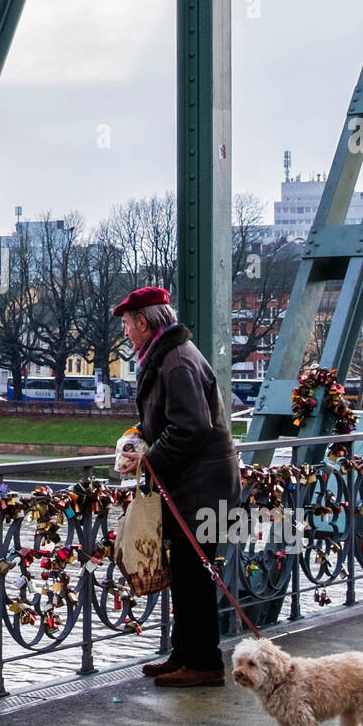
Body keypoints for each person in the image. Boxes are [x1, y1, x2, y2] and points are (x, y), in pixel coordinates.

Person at [113, 286, 240, 687]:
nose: (126, 333)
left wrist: (148, 458)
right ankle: (185, 653)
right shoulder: (170, 355)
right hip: (199, 484)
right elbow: (177, 423)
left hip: (203, 488)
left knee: (196, 574)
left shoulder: (176, 361)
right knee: (186, 573)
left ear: (145, 323)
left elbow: (191, 427)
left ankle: (203, 663)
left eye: (128, 325)